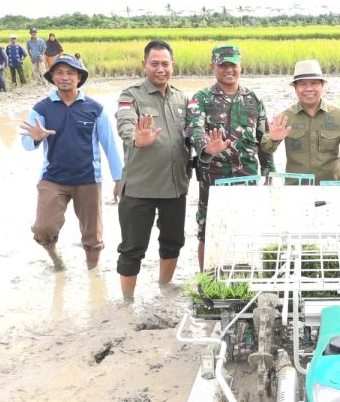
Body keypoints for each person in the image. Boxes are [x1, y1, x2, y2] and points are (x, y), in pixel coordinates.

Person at [19, 54, 123, 271]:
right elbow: (27, 144)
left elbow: (110, 145)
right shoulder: (42, 108)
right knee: (43, 228)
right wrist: (36, 137)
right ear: (53, 77)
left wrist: (119, 178)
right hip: (53, 178)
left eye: (70, 73)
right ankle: (56, 260)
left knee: (93, 236)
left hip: (88, 180)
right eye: (59, 72)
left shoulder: (95, 109)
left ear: (79, 78)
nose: (64, 77)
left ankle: (92, 274)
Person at [185, 43, 275, 272]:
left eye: (233, 65)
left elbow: (264, 139)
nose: (228, 70)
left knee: (246, 227)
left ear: (240, 66)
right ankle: (207, 278)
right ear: (213, 67)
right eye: (222, 65)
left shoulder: (254, 100)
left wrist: (269, 172)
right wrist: (207, 147)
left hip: (246, 177)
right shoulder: (201, 98)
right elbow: (195, 129)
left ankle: (244, 275)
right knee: (208, 230)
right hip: (213, 179)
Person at [115, 40, 190, 301]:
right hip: (140, 187)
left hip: (175, 185)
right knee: (132, 247)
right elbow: (125, 125)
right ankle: (127, 300)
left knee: (173, 242)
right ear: (144, 65)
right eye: (154, 63)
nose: (160, 69)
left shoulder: (182, 98)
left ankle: (165, 287)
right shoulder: (131, 96)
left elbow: (192, 136)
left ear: (173, 66)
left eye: (165, 64)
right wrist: (137, 139)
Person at [260, 59, 340, 183]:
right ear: (295, 87)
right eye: (302, 84)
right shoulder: (284, 118)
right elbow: (266, 148)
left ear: (322, 85)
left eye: (314, 83)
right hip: (296, 189)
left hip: (331, 186)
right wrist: (274, 139)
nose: (309, 89)